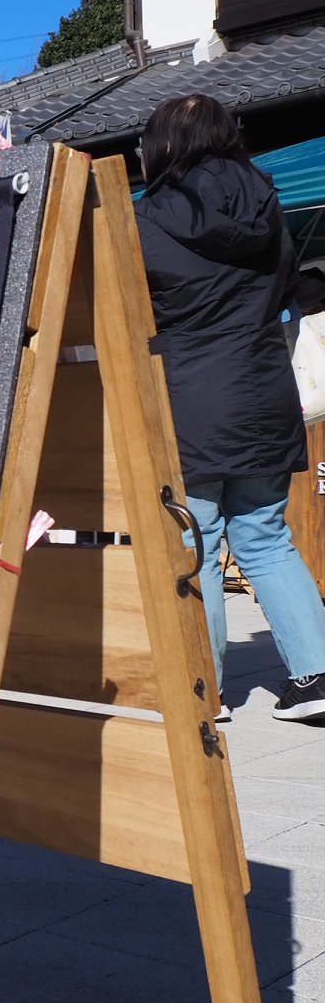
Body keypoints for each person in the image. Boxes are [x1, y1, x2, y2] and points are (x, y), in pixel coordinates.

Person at [135, 92, 325, 721]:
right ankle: (315, 673)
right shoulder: (268, 203)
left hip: (190, 395)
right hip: (266, 388)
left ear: (163, 145)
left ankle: (205, 690)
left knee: (196, 541)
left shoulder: (148, 216)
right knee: (266, 534)